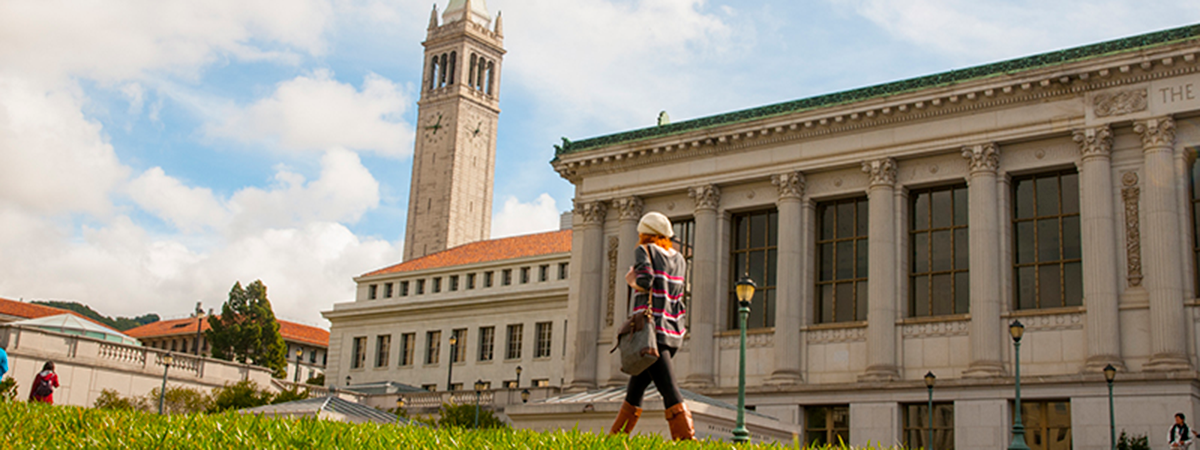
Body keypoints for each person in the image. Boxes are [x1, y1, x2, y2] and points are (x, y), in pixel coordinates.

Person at [609, 212, 695, 440]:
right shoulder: (680, 259)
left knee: (670, 390)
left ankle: (687, 441)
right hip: (673, 330)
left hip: (651, 332)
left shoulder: (644, 250)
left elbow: (646, 281)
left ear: (645, 234)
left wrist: (631, 281)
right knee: (635, 390)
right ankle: (614, 441)